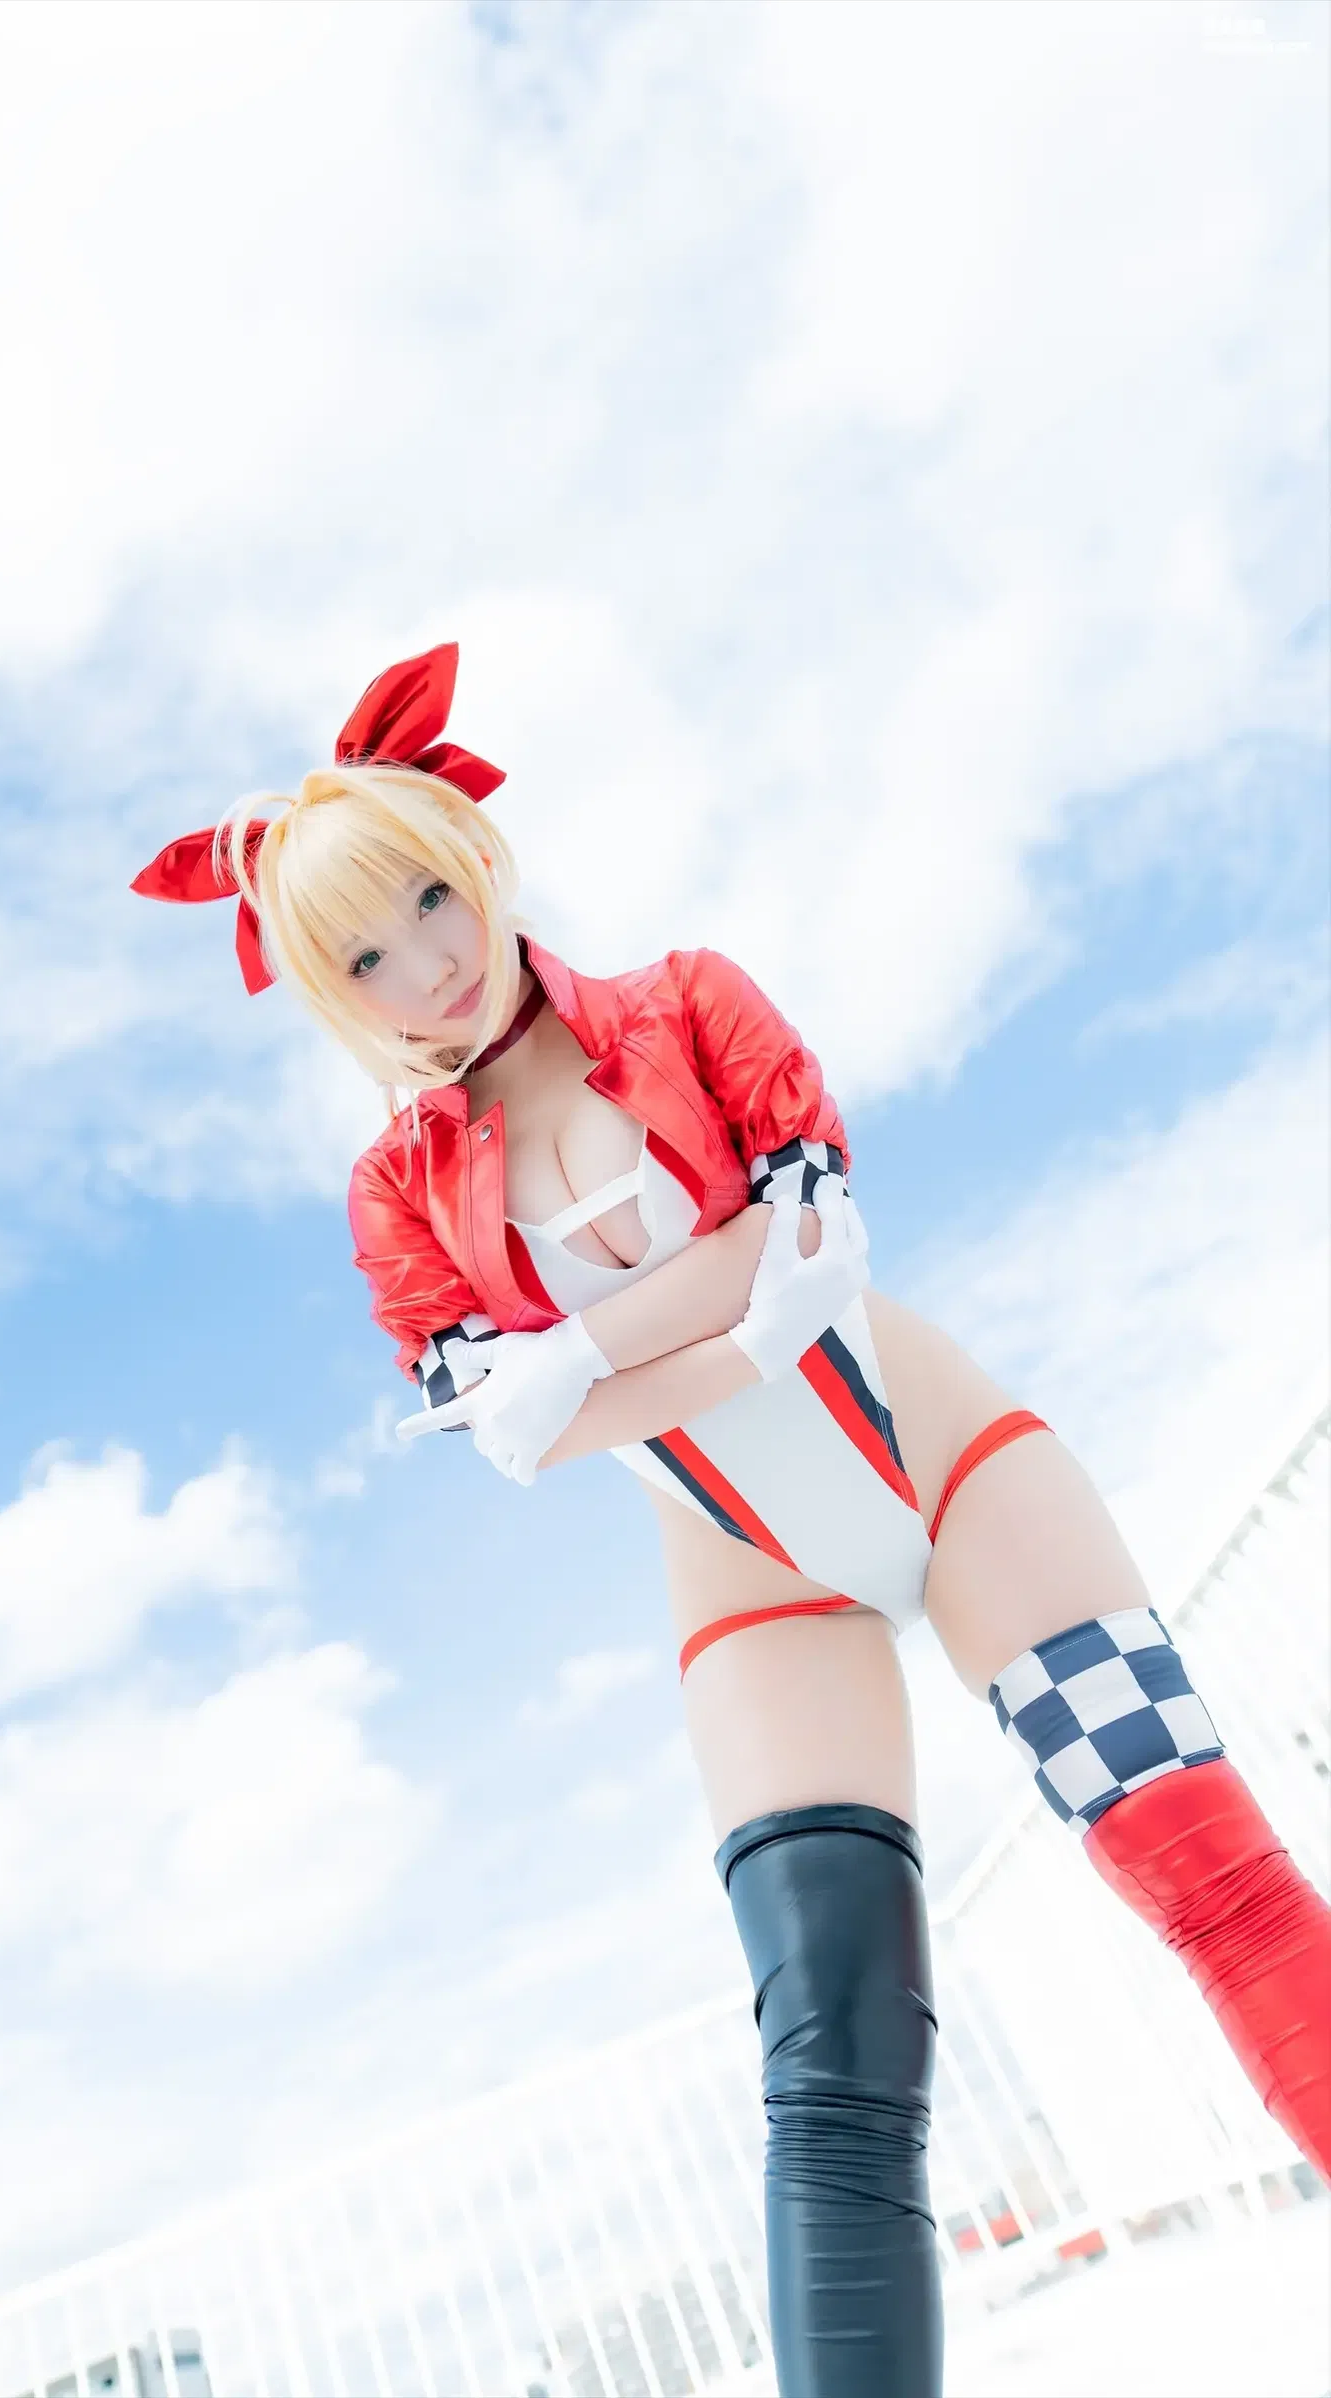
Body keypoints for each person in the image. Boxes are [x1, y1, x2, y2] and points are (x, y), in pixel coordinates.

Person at [135, 642, 1330, 2398]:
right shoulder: (396, 1193)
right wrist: (706, 1331)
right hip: (752, 1573)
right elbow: (527, 1431)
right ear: (330, 997)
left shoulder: (690, 999)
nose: (427, 965)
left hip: (946, 1455)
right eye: (366, 958)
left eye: (428, 901)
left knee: (1212, 1880)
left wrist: (591, 1354)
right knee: (833, 2060)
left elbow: (809, 1252)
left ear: (478, 856)